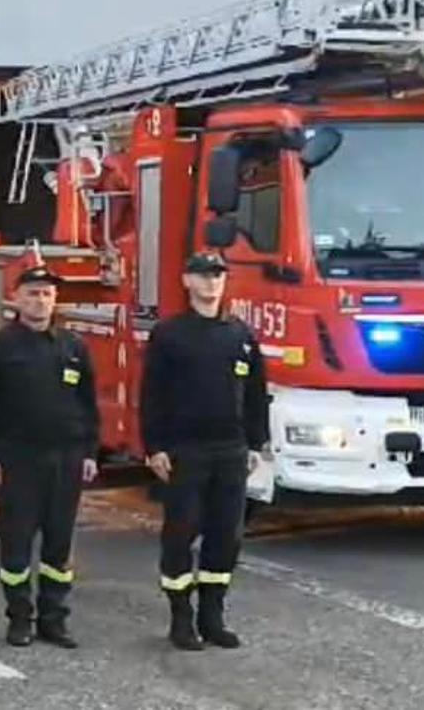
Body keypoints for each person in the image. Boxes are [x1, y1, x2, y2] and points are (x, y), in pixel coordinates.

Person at [141, 251, 268, 651]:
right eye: (204, 275)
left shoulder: (241, 336)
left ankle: (212, 617)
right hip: (185, 450)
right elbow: (153, 394)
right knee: (181, 533)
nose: (212, 282)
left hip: (230, 451)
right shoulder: (170, 334)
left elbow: (255, 395)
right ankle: (181, 619)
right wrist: (154, 446)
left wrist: (255, 443)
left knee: (225, 537)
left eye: (218, 275)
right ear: (187, 281)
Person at [0, 265, 100, 649]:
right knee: (16, 544)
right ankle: (19, 619)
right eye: (32, 293)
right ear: (17, 298)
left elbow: (88, 405)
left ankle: (53, 619)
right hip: (18, 460)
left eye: (46, 293)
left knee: (59, 545)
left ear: (55, 299)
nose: (40, 300)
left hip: (67, 459)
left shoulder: (73, 347)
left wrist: (90, 452)